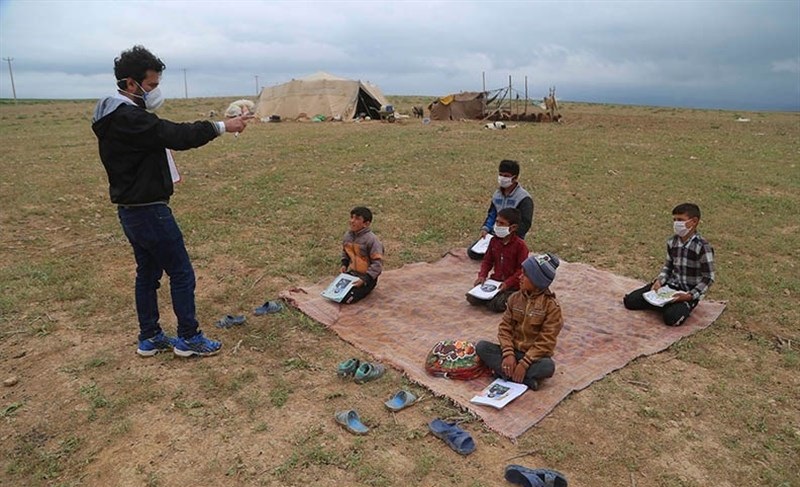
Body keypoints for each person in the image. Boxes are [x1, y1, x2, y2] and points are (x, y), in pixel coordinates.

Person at [91, 45, 252, 357]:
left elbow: (158, 138)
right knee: (181, 272)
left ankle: (150, 337)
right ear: (129, 83)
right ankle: (188, 338)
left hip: (132, 211)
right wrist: (223, 126)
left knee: (148, 273)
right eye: (150, 85)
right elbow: (174, 133)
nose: (155, 91)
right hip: (149, 210)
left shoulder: (118, 117)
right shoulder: (127, 118)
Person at [476, 253, 563, 391]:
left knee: (547, 367)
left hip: (533, 357)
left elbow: (546, 341)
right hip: (512, 352)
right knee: (481, 347)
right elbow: (505, 328)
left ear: (537, 281)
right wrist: (508, 353)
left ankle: (504, 374)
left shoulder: (551, 307)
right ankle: (525, 380)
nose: (520, 277)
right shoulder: (514, 298)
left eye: (525, 275)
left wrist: (524, 363)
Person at [623, 203, 715, 326]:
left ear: (694, 222)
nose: (676, 224)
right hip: (669, 286)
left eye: (680, 220)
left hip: (687, 292)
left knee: (671, 318)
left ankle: (680, 305)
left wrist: (690, 295)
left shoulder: (702, 247)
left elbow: (708, 278)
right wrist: (659, 281)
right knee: (630, 301)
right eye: (674, 220)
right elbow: (668, 266)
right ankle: (663, 303)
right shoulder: (672, 242)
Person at [467, 159, 534, 260]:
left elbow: (525, 223)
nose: (502, 178)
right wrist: (486, 228)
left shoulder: (524, 198)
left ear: (515, 178)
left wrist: (509, 234)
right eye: (500, 174)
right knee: (472, 252)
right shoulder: (497, 195)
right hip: (495, 234)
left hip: (512, 236)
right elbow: (492, 214)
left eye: (506, 176)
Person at [466, 208, 529, 312]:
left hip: (513, 286)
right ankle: (491, 297)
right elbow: (487, 261)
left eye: (502, 223)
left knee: (496, 305)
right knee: (471, 298)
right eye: (496, 222)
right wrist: (482, 276)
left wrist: (507, 283)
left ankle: (515, 298)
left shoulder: (520, 246)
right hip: (495, 281)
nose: (497, 226)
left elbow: (521, 270)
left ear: (513, 227)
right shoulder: (494, 241)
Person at [340, 206, 384, 304]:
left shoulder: (372, 240)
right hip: (352, 274)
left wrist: (365, 279)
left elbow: (377, 264)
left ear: (366, 224)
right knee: (334, 293)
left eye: (357, 219)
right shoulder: (348, 236)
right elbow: (345, 251)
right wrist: (344, 264)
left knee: (346, 299)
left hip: (367, 279)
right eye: (352, 217)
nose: (352, 221)